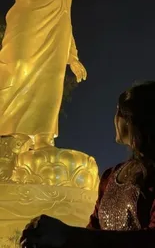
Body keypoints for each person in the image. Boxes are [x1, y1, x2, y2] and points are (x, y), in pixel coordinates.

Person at [20, 81, 155, 247]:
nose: (115, 119)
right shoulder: (110, 176)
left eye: (118, 112)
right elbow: (93, 229)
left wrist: (68, 234)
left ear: (132, 119)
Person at [0, 0, 86, 150]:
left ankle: (42, 138)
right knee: (17, 68)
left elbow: (65, 16)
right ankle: (10, 133)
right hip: (26, 27)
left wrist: (72, 56)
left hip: (55, 38)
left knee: (50, 83)